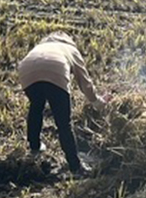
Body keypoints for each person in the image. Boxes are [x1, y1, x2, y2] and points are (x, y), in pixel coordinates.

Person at [18, 32, 107, 178]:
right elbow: (85, 82)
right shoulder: (71, 49)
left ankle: (35, 148)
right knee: (64, 123)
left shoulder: (42, 46)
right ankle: (76, 167)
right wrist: (97, 101)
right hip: (55, 70)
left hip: (26, 70)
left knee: (36, 106)